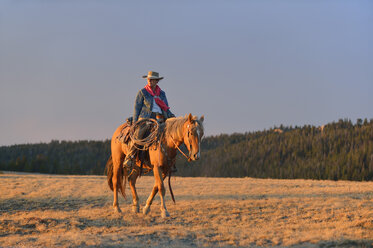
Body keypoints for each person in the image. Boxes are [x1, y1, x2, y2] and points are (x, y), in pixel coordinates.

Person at [123, 71, 175, 170]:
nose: (150, 81)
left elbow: (166, 108)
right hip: (145, 118)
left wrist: (172, 117)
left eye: (152, 80)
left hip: (160, 118)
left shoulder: (162, 94)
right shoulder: (142, 92)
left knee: (172, 135)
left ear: (157, 81)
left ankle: (169, 160)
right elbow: (136, 108)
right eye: (149, 79)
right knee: (139, 134)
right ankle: (130, 157)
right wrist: (135, 121)